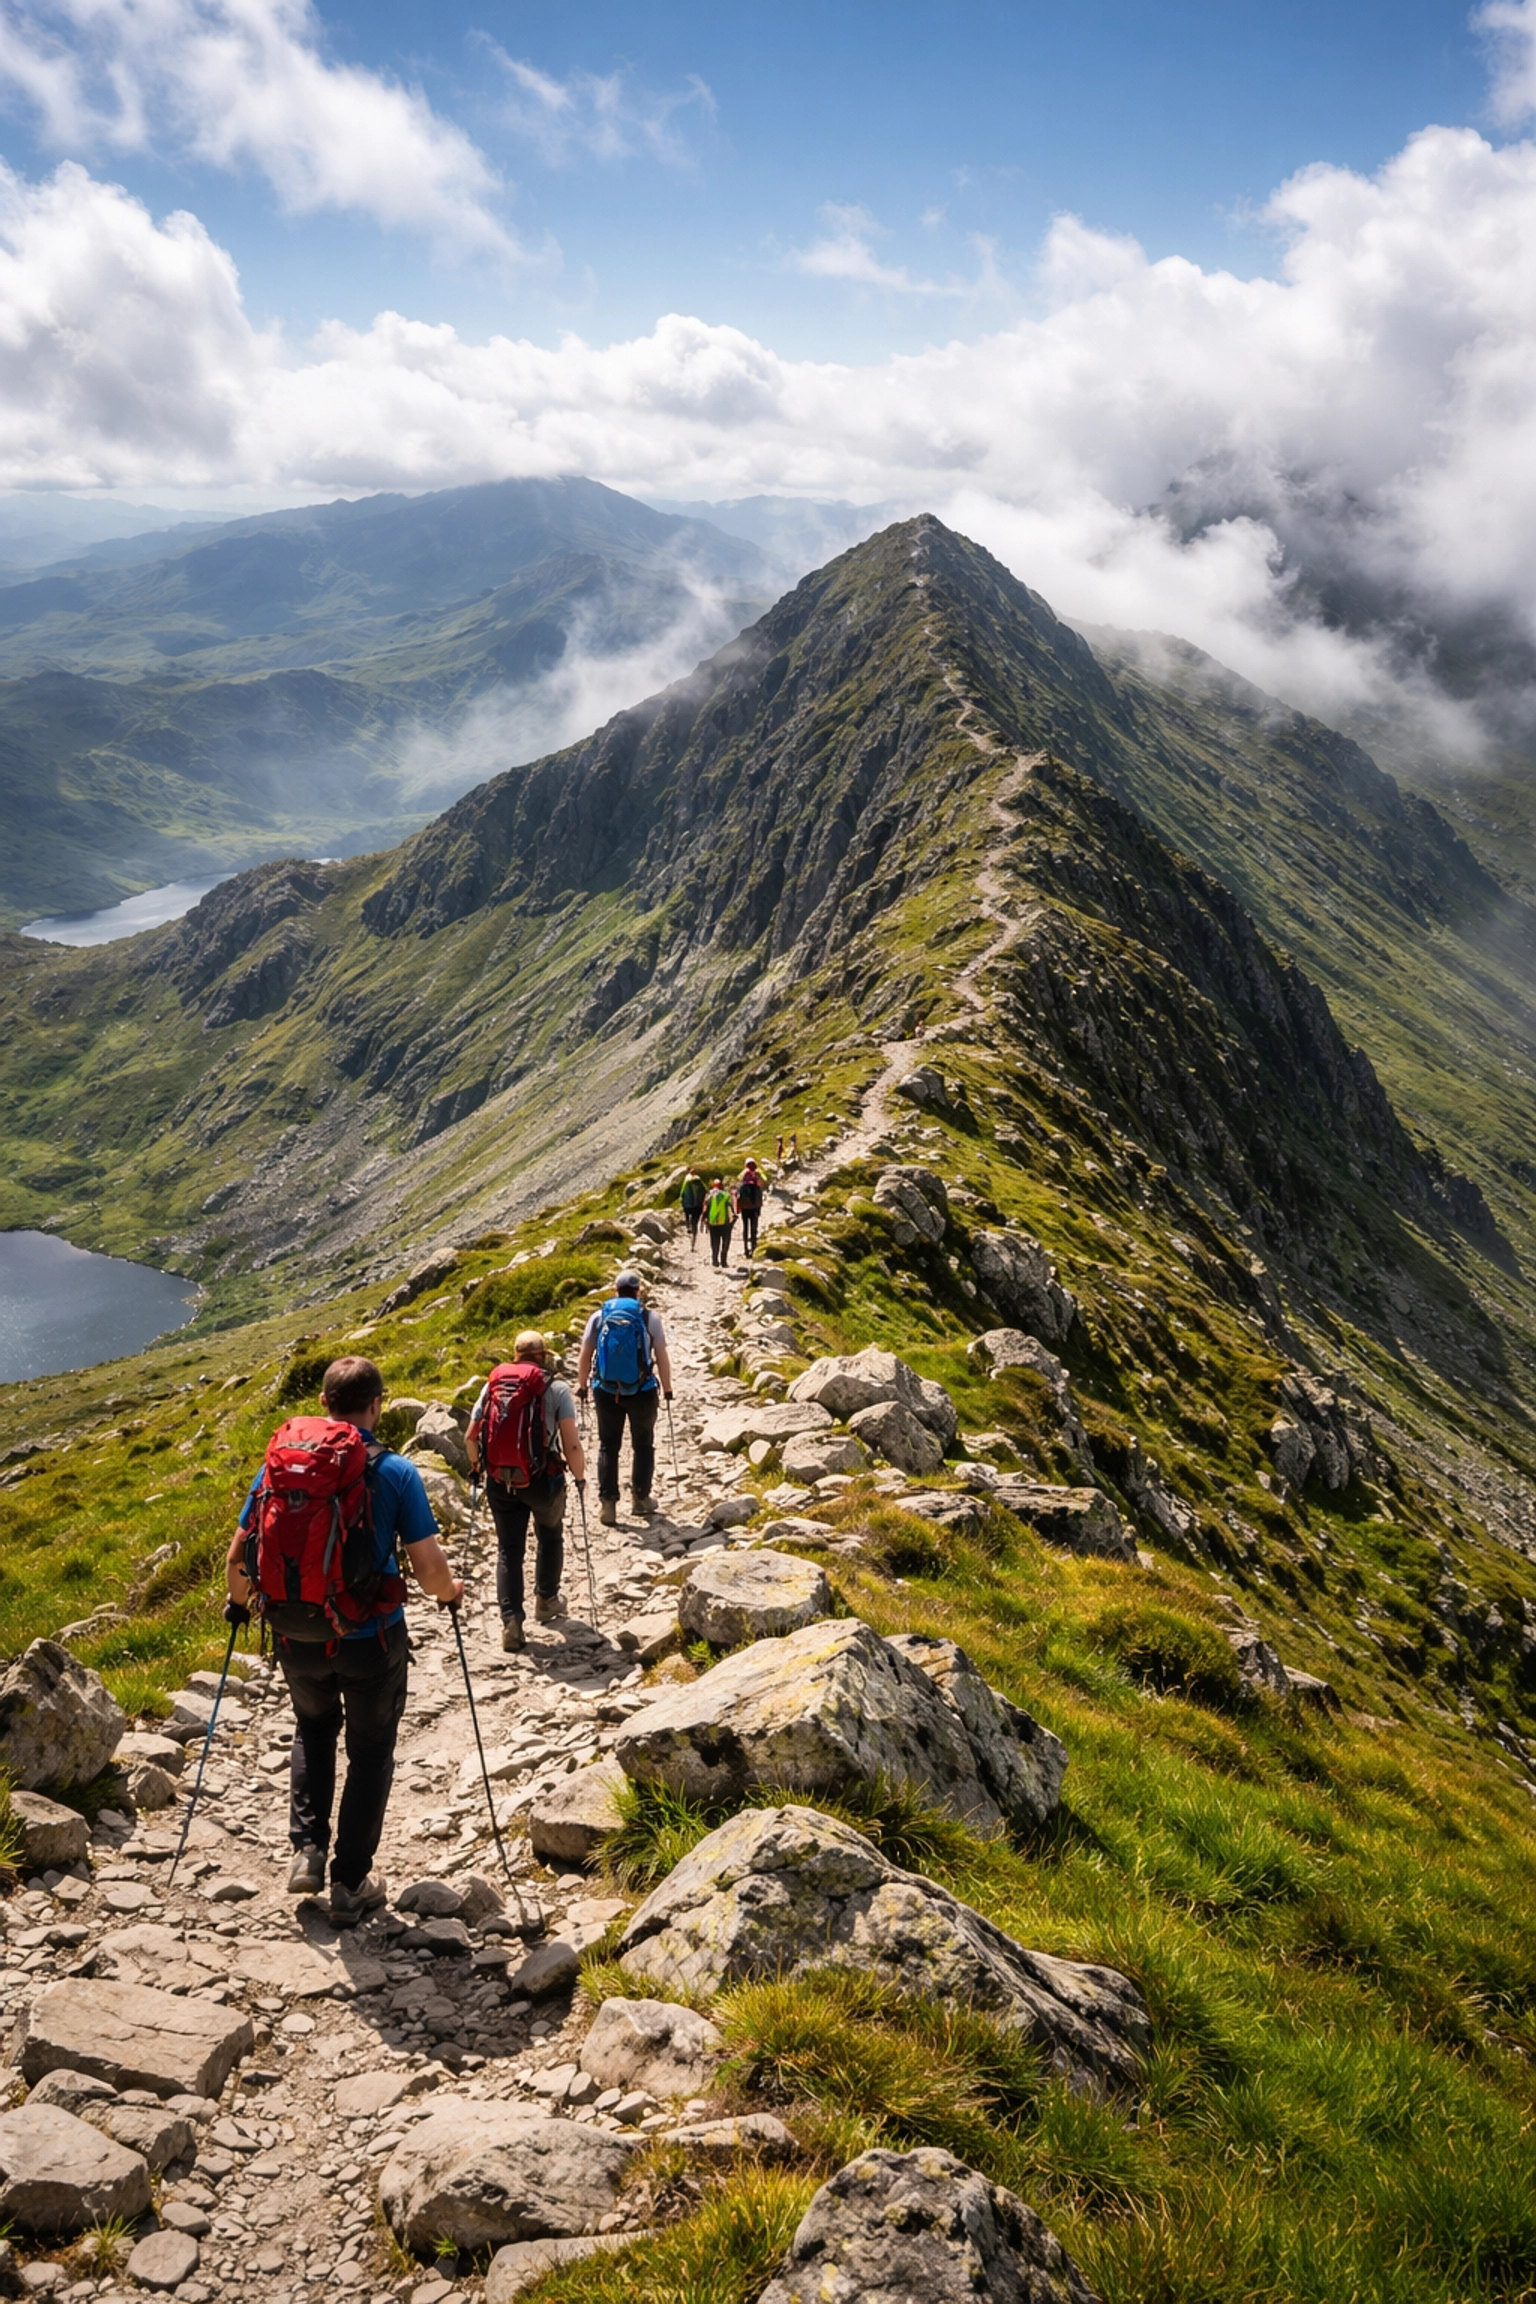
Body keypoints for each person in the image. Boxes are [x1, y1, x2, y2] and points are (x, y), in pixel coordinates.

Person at [225, 1354, 463, 1924]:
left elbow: (239, 1557)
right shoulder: (397, 1472)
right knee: (371, 1750)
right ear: (377, 1404)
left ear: (326, 1403)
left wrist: (238, 1608)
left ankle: (307, 1851)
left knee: (312, 1730)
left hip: (294, 1634)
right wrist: (450, 1594)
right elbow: (428, 1567)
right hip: (371, 1638)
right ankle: (351, 1881)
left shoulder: (282, 1464)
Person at [465, 1330, 585, 1652]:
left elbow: (470, 1436)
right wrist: (580, 1475)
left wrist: (477, 1466)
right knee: (550, 1535)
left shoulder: (492, 1385)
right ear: (544, 1355)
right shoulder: (556, 1388)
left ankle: (511, 1622)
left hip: (499, 1481)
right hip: (542, 1480)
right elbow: (571, 1442)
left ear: (515, 1356)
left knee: (509, 1550)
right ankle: (546, 1600)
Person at [576, 1271, 673, 1526]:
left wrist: (582, 1384)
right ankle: (641, 1499)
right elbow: (661, 1355)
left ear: (615, 1290)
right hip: (642, 1390)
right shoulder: (649, 1317)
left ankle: (608, 1506)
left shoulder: (599, 1317)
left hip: (606, 1390)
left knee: (609, 1445)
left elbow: (586, 1353)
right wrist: (668, 1388)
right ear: (638, 1292)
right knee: (643, 1443)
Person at [736, 1159, 765, 1258]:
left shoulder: (743, 1174)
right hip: (755, 1206)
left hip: (745, 1207)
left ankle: (745, 1248)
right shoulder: (757, 1174)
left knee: (745, 1227)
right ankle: (753, 1247)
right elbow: (761, 1186)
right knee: (754, 1228)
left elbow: (738, 1189)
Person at [705, 1176, 735, 1268]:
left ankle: (715, 1261)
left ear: (713, 1186)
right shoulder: (726, 1195)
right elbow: (731, 1207)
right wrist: (734, 1216)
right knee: (725, 1241)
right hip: (725, 1222)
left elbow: (705, 1209)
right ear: (721, 1186)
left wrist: (705, 1219)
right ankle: (723, 1261)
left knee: (714, 1242)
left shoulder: (709, 1195)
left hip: (713, 1222)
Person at [679, 1167, 706, 1252]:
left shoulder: (687, 1181)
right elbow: (704, 1191)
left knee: (688, 1217)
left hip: (688, 1206)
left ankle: (688, 1226)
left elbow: (682, 1193)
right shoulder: (699, 1181)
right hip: (697, 1207)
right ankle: (693, 1242)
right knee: (695, 1223)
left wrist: (682, 1201)